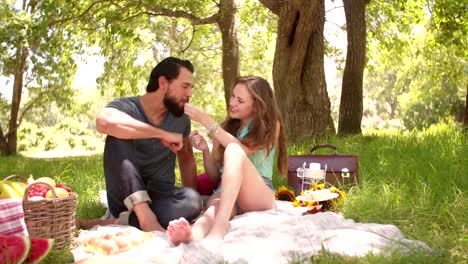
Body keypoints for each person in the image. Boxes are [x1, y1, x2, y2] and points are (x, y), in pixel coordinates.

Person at [166, 76, 288, 250]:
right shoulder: (225, 128)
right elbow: (216, 175)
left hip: (257, 195)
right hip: (226, 191)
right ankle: (192, 234)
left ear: (257, 105)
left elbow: (240, 150)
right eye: (232, 96)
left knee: (233, 150)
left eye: (240, 100)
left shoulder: (269, 125)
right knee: (213, 210)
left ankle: (219, 230)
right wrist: (206, 151)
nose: (232, 102)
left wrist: (206, 120)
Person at [95, 57, 202, 232]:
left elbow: (186, 160)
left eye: (190, 87)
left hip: (160, 195)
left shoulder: (181, 119)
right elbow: (103, 122)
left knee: (192, 201)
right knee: (118, 132)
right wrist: (161, 134)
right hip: (125, 196)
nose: (189, 94)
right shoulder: (127, 107)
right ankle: (144, 217)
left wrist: (193, 205)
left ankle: (121, 222)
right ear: (163, 82)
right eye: (185, 86)